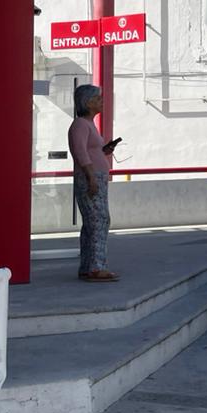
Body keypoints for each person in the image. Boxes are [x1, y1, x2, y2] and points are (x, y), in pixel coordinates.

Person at [69, 85, 120, 282]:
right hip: (90, 177)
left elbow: (89, 150)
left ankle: (88, 266)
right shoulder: (80, 125)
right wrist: (91, 176)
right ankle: (96, 267)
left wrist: (104, 151)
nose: (101, 101)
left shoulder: (88, 124)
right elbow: (80, 152)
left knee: (93, 222)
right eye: (97, 98)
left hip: (95, 176)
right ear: (88, 102)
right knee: (99, 220)